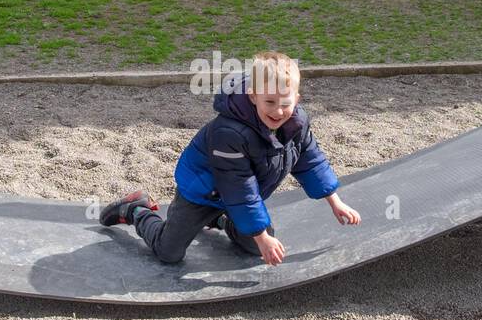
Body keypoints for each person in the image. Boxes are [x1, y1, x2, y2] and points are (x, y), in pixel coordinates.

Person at [99, 51, 360, 267]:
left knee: (255, 247)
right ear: (253, 96)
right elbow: (238, 187)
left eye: (285, 103)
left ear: (297, 99)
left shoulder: (296, 122)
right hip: (203, 193)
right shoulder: (230, 133)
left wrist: (334, 201)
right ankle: (136, 209)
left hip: (238, 198)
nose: (278, 111)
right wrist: (261, 236)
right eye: (269, 101)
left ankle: (220, 219)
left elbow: (310, 160)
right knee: (169, 253)